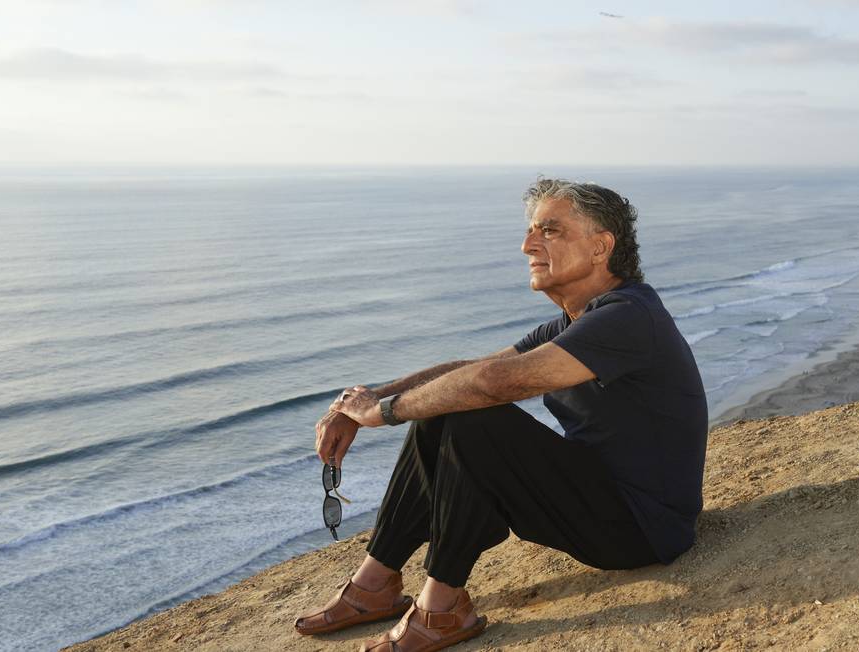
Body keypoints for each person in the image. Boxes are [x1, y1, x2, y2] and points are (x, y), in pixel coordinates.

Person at [294, 179, 708, 652]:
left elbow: (494, 384)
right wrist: (363, 400)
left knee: (472, 415)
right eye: (531, 231)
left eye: (550, 230)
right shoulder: (577, 321)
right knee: (444, 403)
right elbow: (473, 370)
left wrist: (383, 413)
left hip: (644, 527)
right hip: (598, 501)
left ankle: (443, 608)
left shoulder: (628, 317)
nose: (528, 244)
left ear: (600, 246)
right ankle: (375, 584)